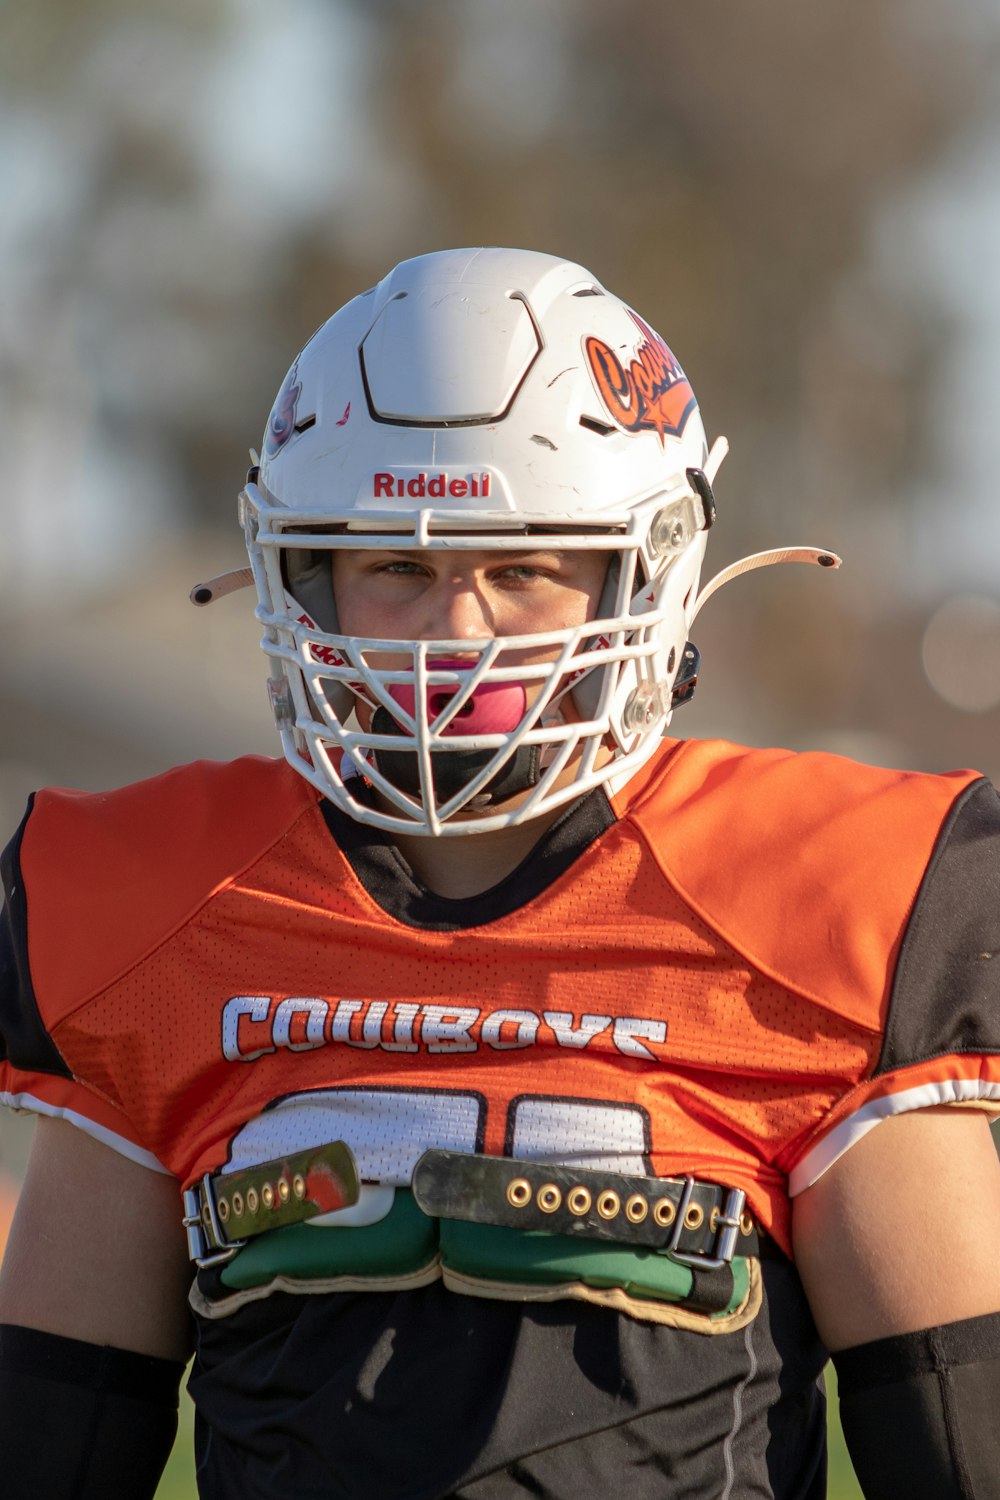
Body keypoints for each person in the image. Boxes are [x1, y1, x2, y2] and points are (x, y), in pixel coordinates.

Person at [0, 246, 998, 1500]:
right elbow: (47, 1449)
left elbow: (965, 1453)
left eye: (520, 568)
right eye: (397, 569)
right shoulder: (151, 915)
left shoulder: (832, 900)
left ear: (649, 567)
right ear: (306, 578)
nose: (451, 637)